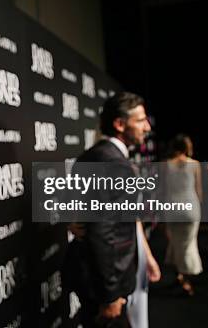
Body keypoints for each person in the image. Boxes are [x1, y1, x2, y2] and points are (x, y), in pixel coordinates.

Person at [65, 92, 161, 328]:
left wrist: (146, 256)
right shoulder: (114, 163)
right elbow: (102, 232)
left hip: (92, 273)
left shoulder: (92, 156)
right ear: (119, 124)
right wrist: (109, 294)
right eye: (140, 120)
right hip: (103, 282)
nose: (147, 126)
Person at [163, 134, 203, 296]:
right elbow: (199, 190)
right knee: (188, 244)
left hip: (172, 207)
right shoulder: (194, 164)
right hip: (190, 208)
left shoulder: (167, 164)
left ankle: (179, 274)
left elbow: (164, 189)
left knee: (175, 243)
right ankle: (185, 279)